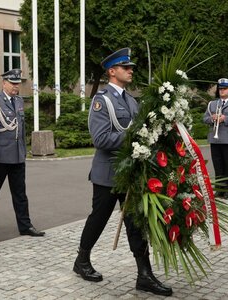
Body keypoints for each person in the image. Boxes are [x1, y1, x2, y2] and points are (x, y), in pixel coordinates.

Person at [73, 49, 173, 296]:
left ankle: (144, 274)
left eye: (131, 67)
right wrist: (134, 137)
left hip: (132, 173)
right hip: (108, 173)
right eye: (126, 67)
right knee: (99, 218)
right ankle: (82, 260)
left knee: (136, 222)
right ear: (112, 71)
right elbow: (101, 138)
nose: (131, 70)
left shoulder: (131, 100)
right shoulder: (102, 100)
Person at [0, 69, 45, 237]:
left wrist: (23, 150)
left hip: (16, 156)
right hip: (0, 157)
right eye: (13, 83)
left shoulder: (19, 101)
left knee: (20, 193)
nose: (16, 86)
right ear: (4, 83)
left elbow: (21, 130)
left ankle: (25, 225)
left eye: (18, 83)